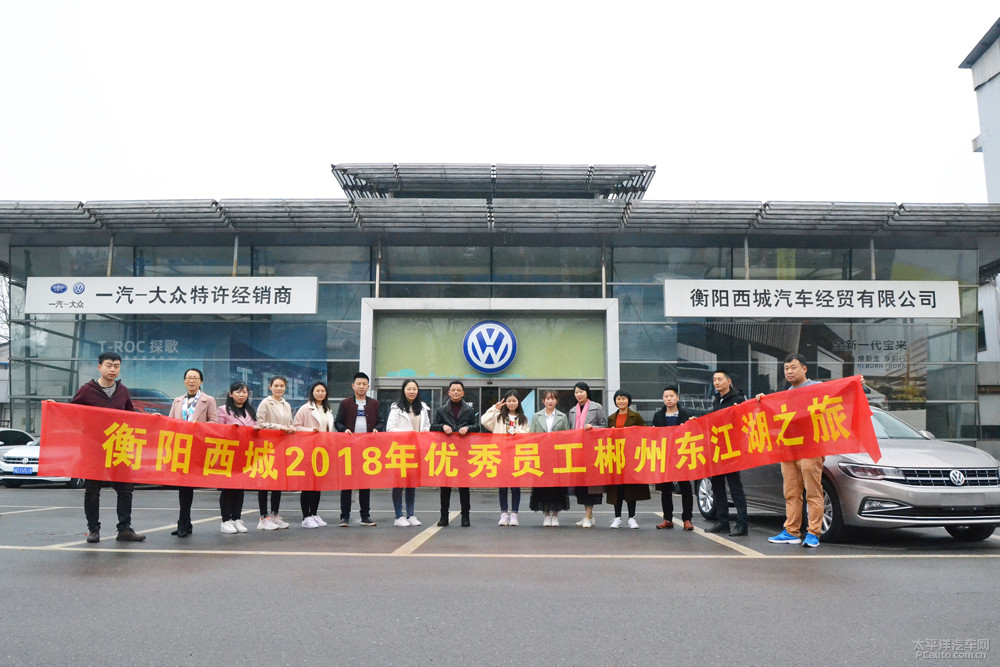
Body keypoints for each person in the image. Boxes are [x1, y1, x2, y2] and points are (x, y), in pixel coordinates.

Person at [74, 352, 145, 543]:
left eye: (116, 366)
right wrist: (54, 407)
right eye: (108, 365)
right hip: (93, 449)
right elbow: (71, 413)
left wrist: (150, 421)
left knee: (125, 490)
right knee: (92, 491)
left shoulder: (123, 391)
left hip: (118, 447)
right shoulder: (87, 390)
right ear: (99, 367)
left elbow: (131, 416)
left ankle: (124, 529)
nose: (112, 369)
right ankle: (94, 530)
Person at [762, 354, 823, 548]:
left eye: (793, 367)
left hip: (810, 448)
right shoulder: (786, 394)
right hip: (788, 449)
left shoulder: (817, 387)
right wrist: (762, 401)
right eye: (786, 368)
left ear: (804, 369)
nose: (789, 371)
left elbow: (841, 393)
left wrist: (858, 384)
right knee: (791, 492)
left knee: (813, 492)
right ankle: (791, 531)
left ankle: (813, 533)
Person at [167, 368, 218, 538]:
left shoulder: (208, 400)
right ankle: (185, 522)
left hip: (197, 447)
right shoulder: (177, 401)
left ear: (201, 381)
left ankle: (183, 522)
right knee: (183, 486)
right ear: (184, 381)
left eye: (195, 378)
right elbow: (170, 422)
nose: (191, 381)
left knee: (187, 485)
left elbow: (214, 422)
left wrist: (200, 427)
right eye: (188, 378)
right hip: (180, 448)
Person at [334, 372, 384, 527]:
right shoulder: (345, 403)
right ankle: (345, 516)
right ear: (353, 386)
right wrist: (344, 430)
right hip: (349, 448)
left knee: (365, 483)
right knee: (347, 483)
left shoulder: (374, 404)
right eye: (359, 384)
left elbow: (381, 422)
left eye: (364, 384)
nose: (361, 386)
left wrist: (377, 429)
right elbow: (338, 422)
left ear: (369, 386)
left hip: (368, 450)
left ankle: (365, 516)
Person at [705, 369, 750, 537]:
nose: (716, 382)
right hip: (718, 448)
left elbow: (745, 419)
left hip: (732, 449)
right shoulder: (717, 399)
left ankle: (742, 524)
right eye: (714, 380)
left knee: (734, 486)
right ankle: (722, 522)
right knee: (717, 486)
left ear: (729, 381)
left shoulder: (738, 399)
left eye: (720, 379)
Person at [431, 380, 480, 527]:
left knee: (464, 487)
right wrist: (442, 426)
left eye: (459, 390)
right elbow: (432, 427)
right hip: (447, 453)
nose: (456, 392)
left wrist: (468, 428)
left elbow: (477, 426)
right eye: (453, 390)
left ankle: (466, 516)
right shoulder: (441, 410)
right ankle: (443, 516)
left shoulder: (469, 410)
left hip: (464, 453)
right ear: (449, 392)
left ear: (463, 392)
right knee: (445, 487)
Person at [481, 389, 531, 526]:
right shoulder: (498, 417)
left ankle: (514, 514)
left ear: (518, 402)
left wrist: (518, 432)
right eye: (509, 401)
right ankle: (504, 514)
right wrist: (494, 408)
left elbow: (527, 434)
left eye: (514, 401)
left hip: (516, 455)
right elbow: (484, 421)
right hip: (501, 454)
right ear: (505, 402)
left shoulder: (523, 418)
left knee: (515, 486)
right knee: (502, 486)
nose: (511, 403)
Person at [385, 379, 431, 527]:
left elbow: (427, 426)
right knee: (398, 484)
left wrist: (424, 432)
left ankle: (411, 514)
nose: (411, 391)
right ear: (403, 390)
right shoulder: (396, 408)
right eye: (409, 389)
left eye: (414, 389)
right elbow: (390, 429)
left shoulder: (422, 408)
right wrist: (409, 433)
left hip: (416, 450)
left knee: (412, 484)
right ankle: (399, 516)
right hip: (400, 450)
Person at [256, 375, 297, 530]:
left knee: (277, 482)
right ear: (270, 387)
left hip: (282, 447)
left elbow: (290, 422)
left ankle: (274, 514)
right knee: (265, 481)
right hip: (267, 446)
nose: (279, 388)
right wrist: (279, 427)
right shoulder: (266, 403)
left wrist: (291, 428)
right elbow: (260, 423)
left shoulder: (286, 404)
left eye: (282, 386)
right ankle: (263, 517)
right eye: (276, 386)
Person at [651, 385, 695, 531]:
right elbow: (654, 436)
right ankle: (667, 518)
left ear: (677, 397)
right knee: (666, 488)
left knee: (685, 487)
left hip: (682, 455)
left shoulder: (686, 414)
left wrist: (693, 424)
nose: (668, 399)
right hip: (665, 455)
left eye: (671, 396)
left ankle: (687, 519)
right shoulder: (658, 416)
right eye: (666, 396)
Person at [292, 381, 334, 528]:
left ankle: (314, 513)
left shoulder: (327, 409)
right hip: (308, 450)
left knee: (317, 484)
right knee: (308, 484)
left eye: (323, 391)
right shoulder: (305, 409)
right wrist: (310, 431)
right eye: (318, 391)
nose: (320, 393)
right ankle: (306, 516)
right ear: (312, 392)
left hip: (322, 450)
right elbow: (295, 426)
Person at [216, 381, 256, 534]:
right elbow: (218, 430)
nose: (241, 395)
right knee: (228, 488)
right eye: (238, 392)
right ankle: (225, 520)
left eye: (244, 392)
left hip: (245, 454)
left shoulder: (250, 411)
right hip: (229, 453)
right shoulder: (223, 410)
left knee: (240, 488)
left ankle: (237, 518)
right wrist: (231, 431)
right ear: (230, 394)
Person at [605, 389, 649, 529]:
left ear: (628, 400)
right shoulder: (611, 417)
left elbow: (644, 432)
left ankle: (632, 517)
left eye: (624, 398)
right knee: (616, 489)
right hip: (616, 457)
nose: (621, 401)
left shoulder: (636, 416)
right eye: (618, 399)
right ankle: (617, 517)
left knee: (631, 489)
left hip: (631, 457)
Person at [528, 390, 570, 527]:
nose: (550, 401)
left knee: (557, 487)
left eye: (553, 399)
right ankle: (546, 515)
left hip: (557, 457)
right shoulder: (536, 416)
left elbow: (567, 436)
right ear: (543, 401)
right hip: (542, 457)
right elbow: (532, 436)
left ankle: (555, 515)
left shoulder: (562, 416)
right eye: (547, 399)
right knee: (543, 487)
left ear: (556, 401)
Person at [568, 381, 607, 528]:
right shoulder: (572, 411)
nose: (579, 394)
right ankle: (588, 515)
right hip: (578, 452)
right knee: (581, 487)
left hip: (592, 452)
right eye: (576, 392)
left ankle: (588, 516)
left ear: (587, 392)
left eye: (581, 391)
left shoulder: (597, 407)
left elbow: (604, 427)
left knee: (592, 486)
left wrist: (593, 428)